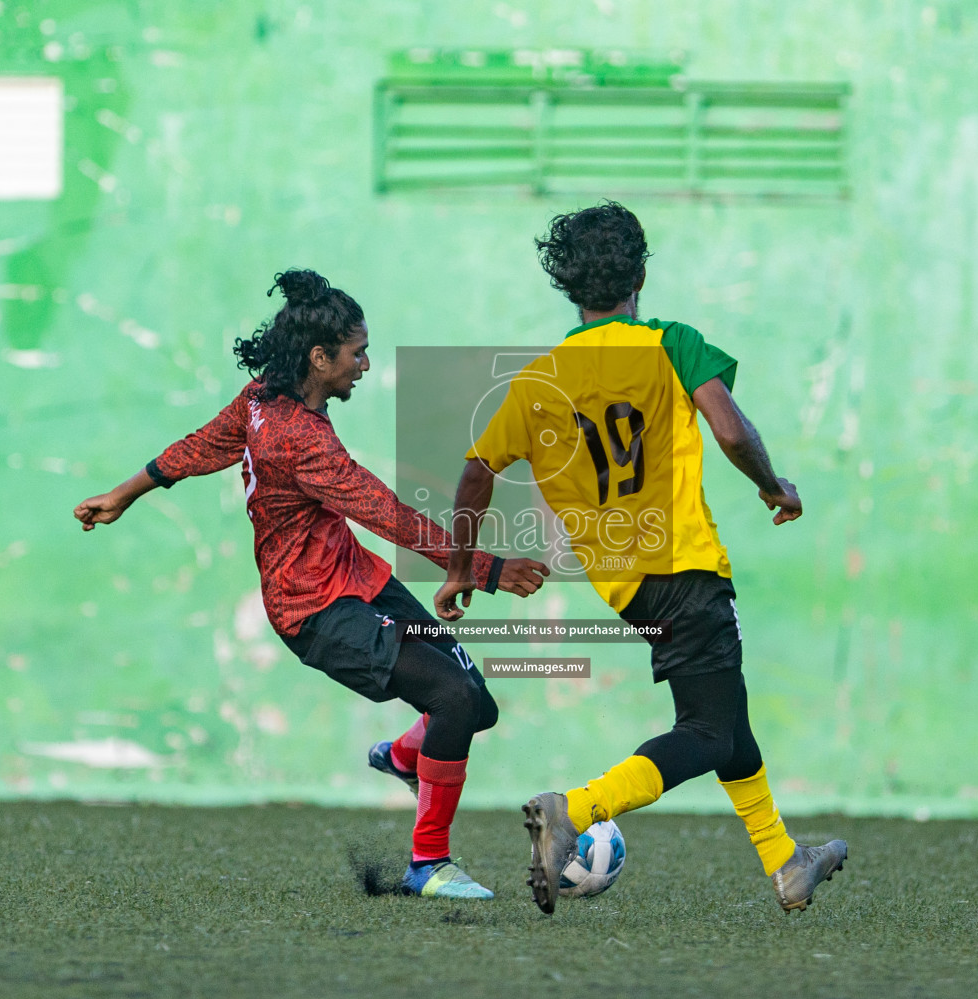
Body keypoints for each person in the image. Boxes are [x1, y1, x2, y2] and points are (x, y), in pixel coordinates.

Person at [74, 268, 549, 900]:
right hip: (317, 611)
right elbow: (386, 512)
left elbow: (195, 449)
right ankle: (428, 866)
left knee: (474, 705)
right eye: (358, 353)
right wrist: (481, 570)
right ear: (320, 358)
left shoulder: (259, 401)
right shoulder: (297, 438)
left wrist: (123, 494)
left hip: (361, 581)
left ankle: (404, 758)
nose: (367, 364)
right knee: (453, 702)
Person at [433, 203, 847, 915]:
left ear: (569, 288)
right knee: (710, 730)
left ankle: (787, 863)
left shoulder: (538, 382)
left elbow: (476, 473)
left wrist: (462, 565)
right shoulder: (671, 343)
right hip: (686, 568)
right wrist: (774, 486)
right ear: (642, 276)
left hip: (627, 587)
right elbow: (729, 427)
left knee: (729, 724)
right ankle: (576, 811)